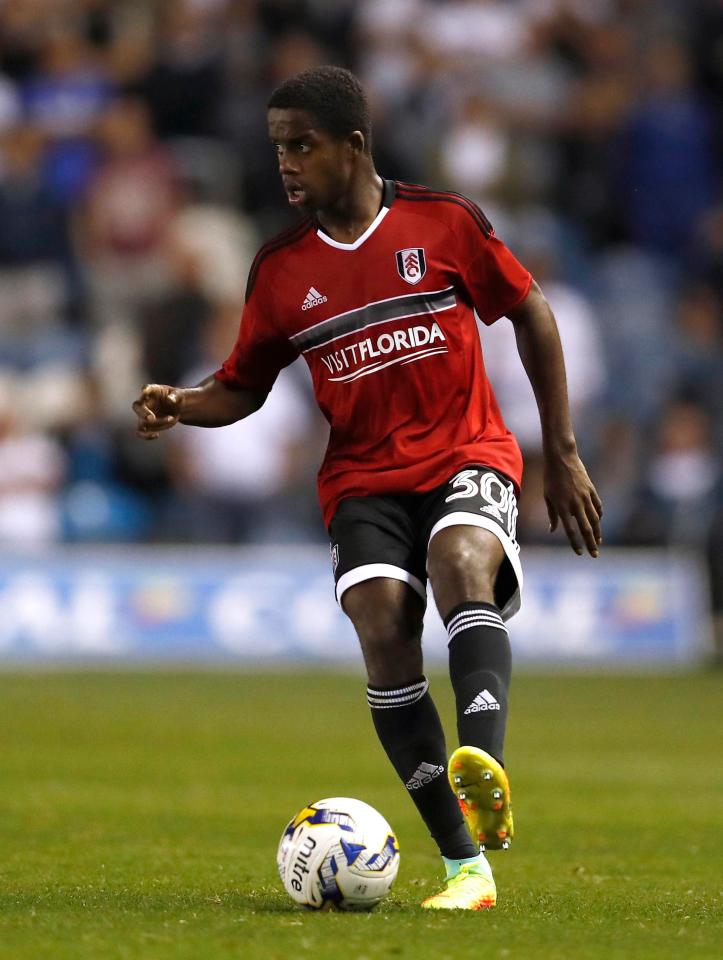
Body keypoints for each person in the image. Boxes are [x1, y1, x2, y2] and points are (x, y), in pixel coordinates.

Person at [132, 66, 603, 910]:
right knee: (382, 624)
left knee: (462, 561)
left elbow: (529, 310)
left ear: (352, 146)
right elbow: (245, 384)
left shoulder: (443, 222)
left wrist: (561, 451)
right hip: (362, 482)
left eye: (301, 146)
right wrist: (185, 403)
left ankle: (481, 766)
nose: (285, 164)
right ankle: (466, 869)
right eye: (278, 147)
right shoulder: (280, 269)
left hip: (467, 452)